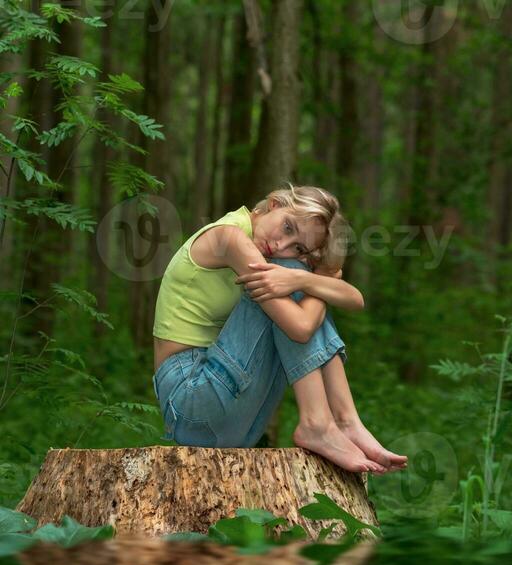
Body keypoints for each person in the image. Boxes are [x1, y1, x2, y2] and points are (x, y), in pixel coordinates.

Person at [151, 182, 408, 474]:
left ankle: (346, 422)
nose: (281, 245)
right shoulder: (229, 238)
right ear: (274, 203)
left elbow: (355, 299)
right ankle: (320, 423)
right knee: (290, 276)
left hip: (235, 418)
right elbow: (301, 328)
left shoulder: (268, 255)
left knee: (292, 276)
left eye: (299, 247)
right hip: (191, 402)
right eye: (288, 227)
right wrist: (313, 280)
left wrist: (308, 281)